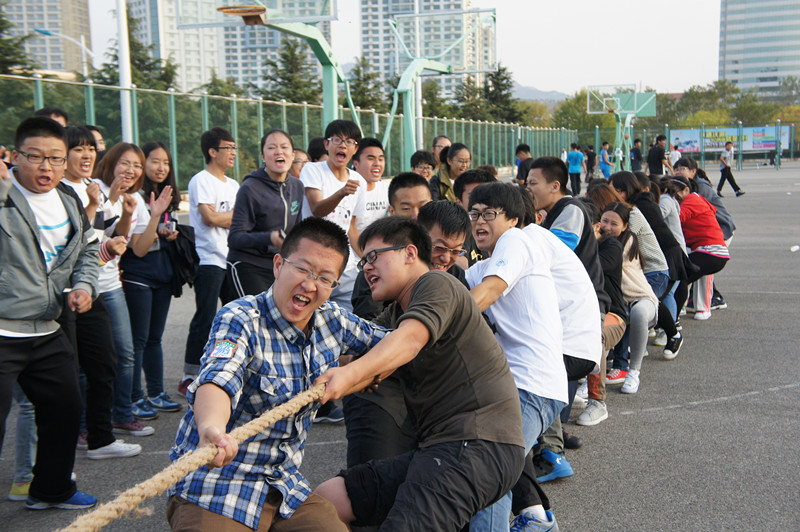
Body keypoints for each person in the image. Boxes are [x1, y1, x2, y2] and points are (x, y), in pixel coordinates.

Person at [167, 218, 389, 531]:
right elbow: (218, 378)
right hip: (215, 485)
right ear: (277, 265)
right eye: (303, 269)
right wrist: (211, 428)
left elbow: (391, 342)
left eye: (325, 278)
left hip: (284, 488)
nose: (310, 285)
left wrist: (356, 371)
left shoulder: (332, 320)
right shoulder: (241, 317)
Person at [315, 216, 525, 532]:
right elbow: (364, 360)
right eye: (363, 263)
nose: (367, 268)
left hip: (478, 443)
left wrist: (347, 375)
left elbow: (408, 341)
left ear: (410, 254)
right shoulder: (396, 313)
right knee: (330, 499)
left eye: (374, 257)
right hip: (440, 448)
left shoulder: (436, 284)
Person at [0, 116, 98, 509]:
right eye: (35, 157)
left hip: (47, 327)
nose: (46, 167)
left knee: (66, 407)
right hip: (3, 331)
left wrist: (85, 286)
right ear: (15, 156)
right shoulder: (4, 196)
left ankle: (51, 489)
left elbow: (89, 250)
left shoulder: (70, 199)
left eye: (56, 159)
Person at [465, 183, 566, 531]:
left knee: (489, 470)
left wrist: (429, 326)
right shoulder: (484, 268)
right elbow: (461, 289)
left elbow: (486, 294)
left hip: (531, 384)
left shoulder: (517, 241)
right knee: (491, 466)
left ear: (512, 219)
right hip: (516, 386)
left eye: (488, 213)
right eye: (474, 213)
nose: (479, 221)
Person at [345, 200, 471, 479]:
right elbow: (366, 338)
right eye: (439, 248)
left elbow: (412, 339)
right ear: (417, 242)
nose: (446, 258)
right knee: (370, 482)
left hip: (440, 395)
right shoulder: (380, 277)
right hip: (385, 389)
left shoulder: (451, 279)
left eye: (456, 251)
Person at [59, 126, 141, 459]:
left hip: (91, 286)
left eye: (91, 148)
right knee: (66, 374)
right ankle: (60, 452)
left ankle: (100, 438)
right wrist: (95, 210)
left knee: (105, 362)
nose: (87, 154)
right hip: (64, 292)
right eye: (78, 149)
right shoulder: (61, 191)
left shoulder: (89, 188)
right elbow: (72, 244)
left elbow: (97, 239)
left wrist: (120, 217)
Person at [93, 142, 165, 434]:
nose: (131, 170)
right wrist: (111, 199)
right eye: (126, 163)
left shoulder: (135, 198)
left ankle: (122, 413)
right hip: (85, 284)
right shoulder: (94, 188)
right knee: (93, 360)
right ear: (111, 162)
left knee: (124, 353)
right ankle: (89, 425)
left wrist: (156, 214)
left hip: (111, 282)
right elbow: (94, 231)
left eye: (136, 165)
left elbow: (139, 248)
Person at [121, 141, 183, 415]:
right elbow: (136, 244)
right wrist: (156, 227)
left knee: (154, 338)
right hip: (138, 274)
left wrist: (169, 232)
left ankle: (155, 393)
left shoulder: (168, 195)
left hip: (162, 274)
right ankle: (134, 397)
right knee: (138, 339)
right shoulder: (134, 196)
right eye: (154, 161)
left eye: (166, 162)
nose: (161, 167)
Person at [180, 127, 239, 395]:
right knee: (205, 317)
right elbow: (210, 219)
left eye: (235, 148)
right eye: (228, 148)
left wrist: (226, 217)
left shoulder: (234, 185)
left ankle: (225, 364)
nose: (233, 154)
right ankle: (189, 373)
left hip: (231, 259)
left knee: (231, 317)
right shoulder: (201, 180)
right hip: (207, 259)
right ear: (212, 152)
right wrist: (231, 217)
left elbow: (238, 221)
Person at [224, 129, 304, 302]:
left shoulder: (297, 186)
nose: (278, 152)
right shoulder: (250, 188)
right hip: (248, 264)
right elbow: (235, 238)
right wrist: (270, 238)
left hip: (280, 266)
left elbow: (297, 230)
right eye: (271, 148)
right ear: (262, 155)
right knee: (257, 318)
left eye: (284, 147)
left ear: (293, 154)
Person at [300, 119, 366, 313]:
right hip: (314, 261)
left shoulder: (358, 181)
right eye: (337, 140)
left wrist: (367, 257)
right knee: (308, 313)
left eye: (349, 142)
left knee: (350, 315)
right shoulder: (312, 170)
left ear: (355, 149)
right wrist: (342, 192)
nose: (343, 145)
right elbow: (316, 209)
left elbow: (352, 227)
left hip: (345, 265)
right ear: (327, 145)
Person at [599, 202, 659, 394]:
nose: (608, 227)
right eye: (604, 221)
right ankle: (594, 377)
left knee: (639, 313)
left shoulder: (624, 242)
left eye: (614, 224)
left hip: (641, 298)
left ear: (625, 226)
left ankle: (634, 371)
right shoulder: (602, 239)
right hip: (619, 303)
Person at [668, 176, 730, 320]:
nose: (672, 196)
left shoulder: (691, 200)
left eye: (674, 192)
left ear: (686, 190)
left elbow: (677, 218)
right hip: (713, 251)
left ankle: (673, 318)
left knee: (680, 277)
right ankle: (687, 309)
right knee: (684, 276)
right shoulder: (698, 199)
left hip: (709, 251)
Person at [351, 138, 389, 248]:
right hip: (354, 257)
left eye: (381, 159)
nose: (377, 164)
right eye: (371, 159)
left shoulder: (386, 189)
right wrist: (365, 257)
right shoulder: (349, 191)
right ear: (356, 163)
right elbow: (350, 229)